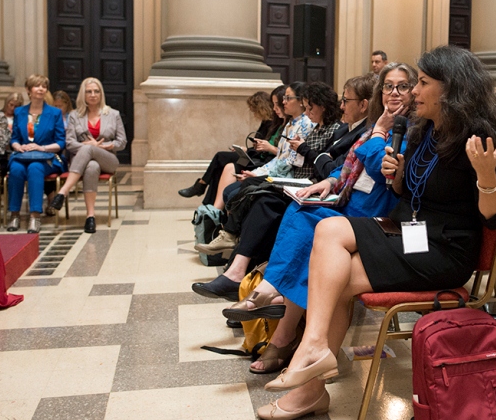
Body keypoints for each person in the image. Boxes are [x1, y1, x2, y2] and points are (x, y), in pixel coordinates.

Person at [252, 46, 496, 420]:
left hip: (443, 249)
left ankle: (310, 371)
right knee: (327, 231)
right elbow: (412, 192)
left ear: (451, 89)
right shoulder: (426, 130)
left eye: (422, 83)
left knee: (334, 270)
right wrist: (400, 173)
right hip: (408, 230)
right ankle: (313, 355)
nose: (413, 92)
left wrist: (487, 176)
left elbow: (492, 217)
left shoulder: (478, 136)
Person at [219, 64, 415, 377]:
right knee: (302, 208)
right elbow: (351, 165)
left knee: (310, 222)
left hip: (377, 216)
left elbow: (381, 167)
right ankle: (277, 313)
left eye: (402, 86)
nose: (393, 93)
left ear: (414, 92)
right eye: (388, 86)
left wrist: (379, 132)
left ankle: (278, 321)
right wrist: (332, 181)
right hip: (351, 205)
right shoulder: (377, 125)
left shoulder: (409, 129)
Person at [192, 74, 379, 295]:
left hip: (331, 192)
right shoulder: (343, 129)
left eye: (346, 101)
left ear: (364, 105)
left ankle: (249, 281)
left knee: (270, 202)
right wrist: (319, 159)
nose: (341, 105)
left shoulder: (364, 132)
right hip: (318, 184)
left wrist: (311, 154)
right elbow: (326, 164)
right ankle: (242, 276)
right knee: (260, 197)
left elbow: (330, 168)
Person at [49, 77, 127, 233]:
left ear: (101, 94)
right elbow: (70, 143)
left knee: (90, 149)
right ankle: (90, 217)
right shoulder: (74, 115)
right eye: (89, 91)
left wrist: (105, 146)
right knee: (91, 166)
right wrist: (87, 146)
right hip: (84, 162)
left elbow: (122, 141)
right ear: (83, 95)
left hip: (108, 158)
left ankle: (63, 192)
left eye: (96, 91)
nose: (93, 95)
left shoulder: (113, 114)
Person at [178, 87, 284, 200]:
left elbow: (272, 149)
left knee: (221, 157)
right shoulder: (267, 122)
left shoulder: (273, 123)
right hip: (257, 155)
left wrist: (252, 149)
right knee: (219, 168)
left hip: (262, 160)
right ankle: (208, 203)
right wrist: (247, 149)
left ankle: (201, 185)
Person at [6, 75, 66, 234]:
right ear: (28, 90)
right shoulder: (19, 112)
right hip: (22, 155)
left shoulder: (54, 113)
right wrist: (18, 146)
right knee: (17, 170)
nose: (41, 89)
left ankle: (34, 216)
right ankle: (14, 215)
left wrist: (42, 148)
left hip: (47, 157)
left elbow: (61, 142)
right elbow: (14, 138)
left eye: (44, 86)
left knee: (35, 168)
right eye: (36, 86)